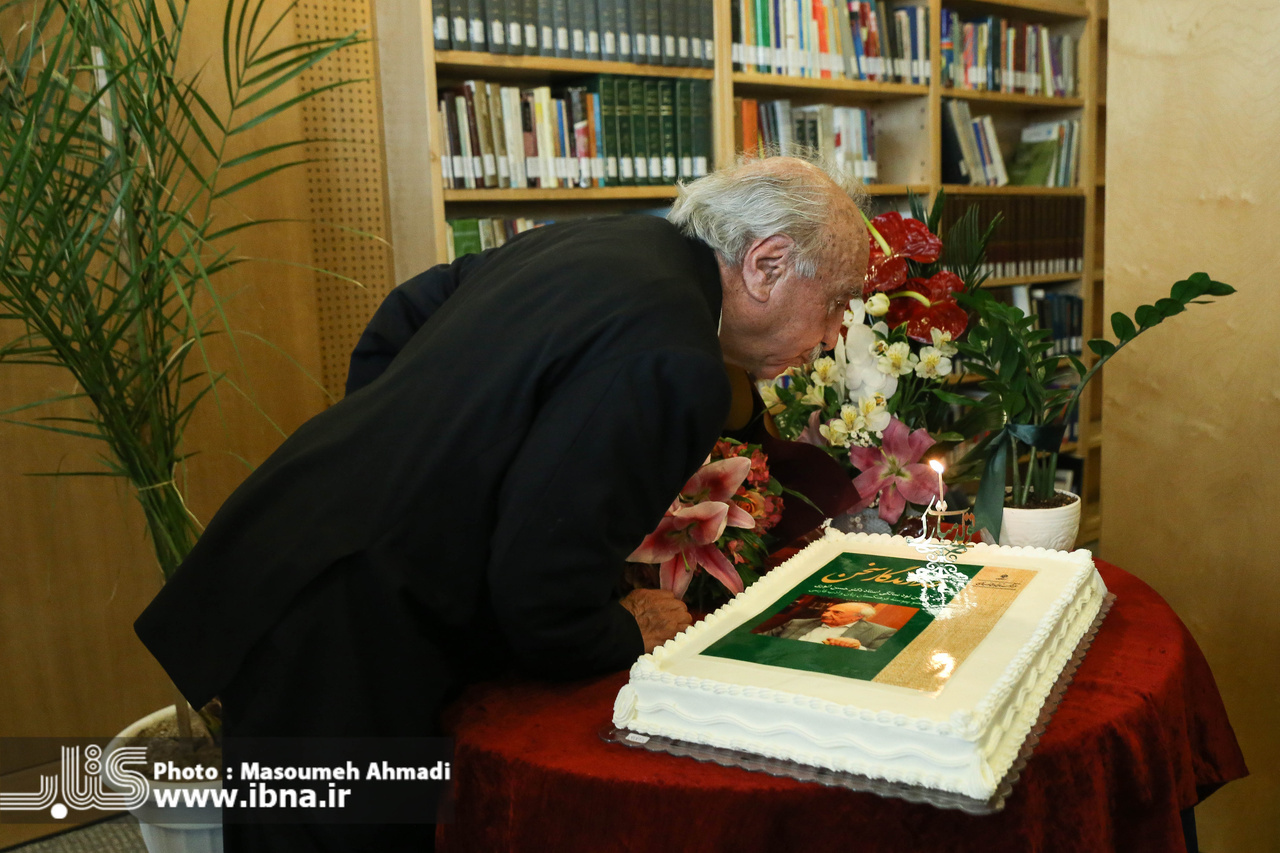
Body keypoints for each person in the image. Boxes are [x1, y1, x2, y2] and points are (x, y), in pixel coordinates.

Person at [133, 155, 868, 850]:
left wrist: (404, 466)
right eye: (836, 302)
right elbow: (540, 592)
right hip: (350, 638)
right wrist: (628, 626)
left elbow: (405, 313)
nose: (835, 335)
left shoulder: (609, 241)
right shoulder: (676, 359)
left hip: (303, 561)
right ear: (766, 265)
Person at [763, 601, 897, 651]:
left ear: (858, 617)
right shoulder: (797, 622)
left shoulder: (880, 632)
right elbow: (762, 638)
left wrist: (859, 647)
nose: (826, 614)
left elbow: (883, 659)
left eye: (836, 612)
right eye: (827, 610)